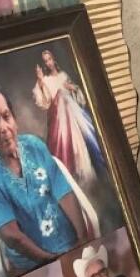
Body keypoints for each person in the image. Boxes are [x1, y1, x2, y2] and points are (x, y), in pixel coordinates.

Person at [0, 81, 85, 273]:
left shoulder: (35, 145)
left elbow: (64, 193)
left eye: (6, 116)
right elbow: (11, 235)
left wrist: (82, 242)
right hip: (33, 262)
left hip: (68, 242)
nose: (4, 127)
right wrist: (50, 260)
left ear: (14, 119)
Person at [33, 48, 107, 188]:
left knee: (86, 137)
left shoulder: (63, 75)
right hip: (60, 118)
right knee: (66, 143)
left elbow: (78, 95)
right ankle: (74, 178)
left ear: (53, 59)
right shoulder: (47, 80)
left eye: (49, 59)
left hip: (74, 113)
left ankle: (92, 175)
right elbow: (45, 102)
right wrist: (41, 81)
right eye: (45, 61)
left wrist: (72, 87)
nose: (48, 63)